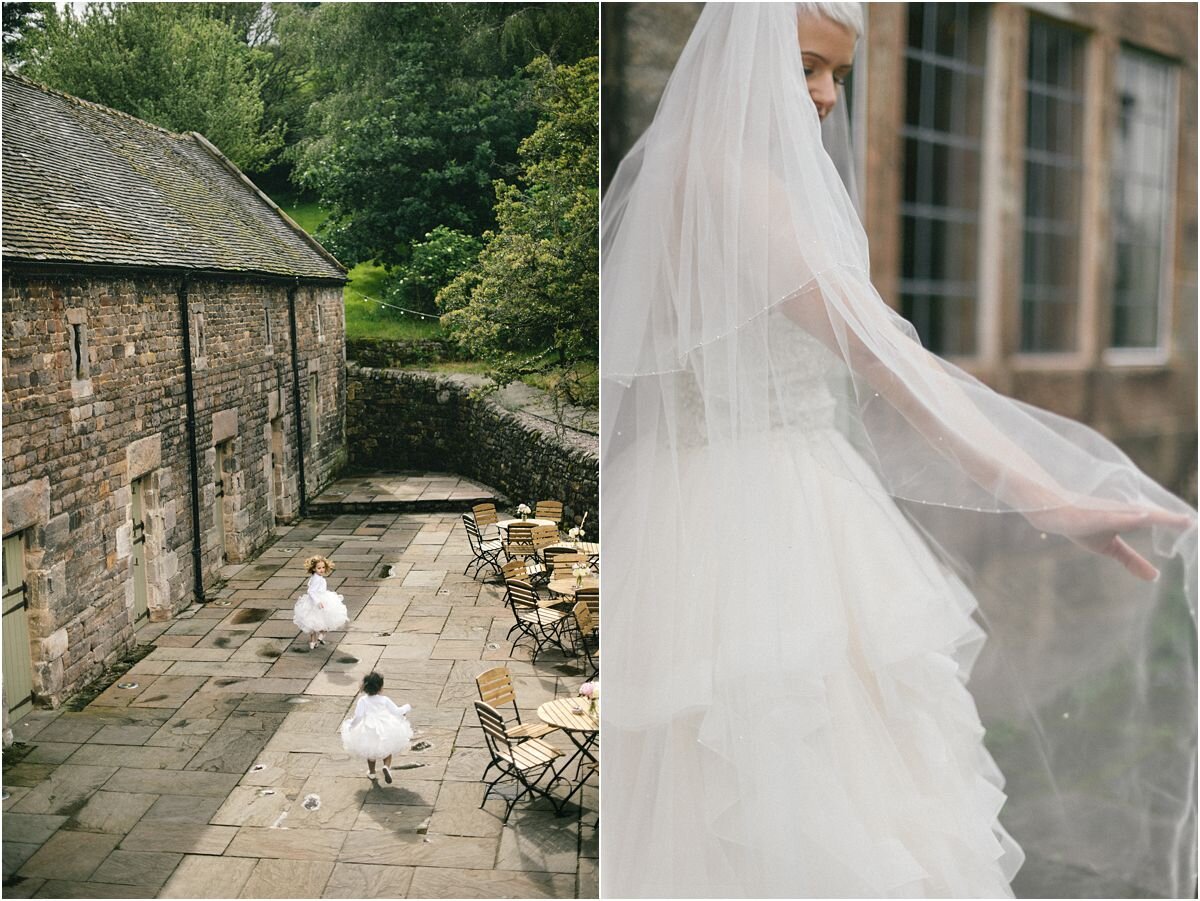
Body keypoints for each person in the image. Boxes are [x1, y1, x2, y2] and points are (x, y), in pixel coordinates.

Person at [600, 3, 1196, 898]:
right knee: (803, 795)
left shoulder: (722, 174)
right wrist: (1046, 492)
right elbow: (883, 357)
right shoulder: (725, 177)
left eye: (838, 73)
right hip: (760, 530)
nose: (827, 97)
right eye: (806, 68)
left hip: (728, 508)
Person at [340, 671, 414, 783]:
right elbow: (396, 711)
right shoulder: (384, 700)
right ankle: (386, 767)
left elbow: (358, 716)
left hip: (368, 729)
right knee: (387, 749)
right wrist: (406, 707)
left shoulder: (363, 701)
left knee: (370, 752)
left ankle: (372, 772)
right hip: (385, 727)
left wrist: (352, 725)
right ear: (380, 687)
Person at [292, 554, 349, 650]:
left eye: (323, 567)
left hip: (322, 598)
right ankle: (316, 639)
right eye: (319, 568)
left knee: (318, 621)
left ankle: (316, 640)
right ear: (314, 569)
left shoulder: (316, 577)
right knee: (319, 621)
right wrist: (318, 602)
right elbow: (310, 591)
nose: (322, 570)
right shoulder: (316, 579)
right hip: (318, 601)